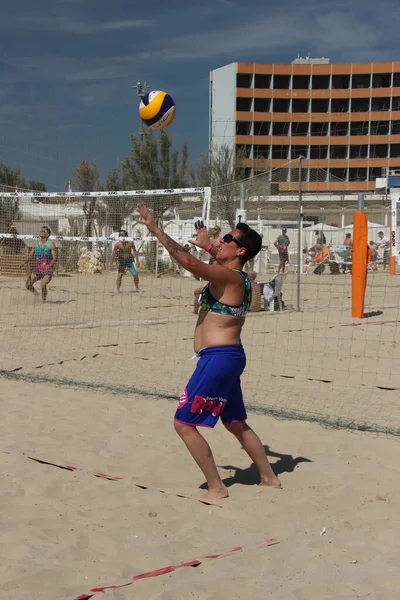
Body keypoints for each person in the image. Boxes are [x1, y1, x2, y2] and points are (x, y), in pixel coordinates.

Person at [136, 202, 281, 499]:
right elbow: (213, 261)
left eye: (228, 239)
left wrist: (155, 229)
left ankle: (217, 487)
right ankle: (268, 477)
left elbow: (190, 264)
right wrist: (208, 246)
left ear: (241, 251)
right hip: (226, 357)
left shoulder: (230, 278)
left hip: (218, 359)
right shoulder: (231, 274)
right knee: (235, 422)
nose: (221, 240)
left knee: (183, 424)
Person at [23, 226, 57, 303]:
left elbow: (55, 258)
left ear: (47, 234)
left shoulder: (51, 244)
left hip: (47, 269)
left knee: (42, 285)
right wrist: (24, 262)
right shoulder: (36, 243)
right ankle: (36, 294)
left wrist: (50, 265)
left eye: (44, 231)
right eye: (41, 230)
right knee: (28, 285)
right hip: (38, 269)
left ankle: (43, 302)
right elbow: (31, 254)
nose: (42, 232)